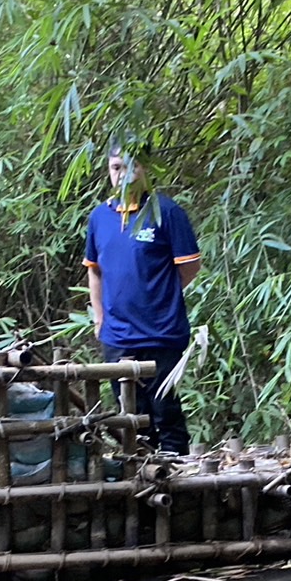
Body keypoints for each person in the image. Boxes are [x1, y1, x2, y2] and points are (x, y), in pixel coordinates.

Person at [84, 141, 201, 454]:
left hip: (161, 332)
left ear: (145, 169)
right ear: (109, 171)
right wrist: (99, 318)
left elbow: (190, 265)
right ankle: (141, 478)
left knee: (166, 410)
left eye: (131, 166)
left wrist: (161, 295)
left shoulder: (167, 212)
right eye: (116, 167)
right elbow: (94, 271)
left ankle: (178, 478)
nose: (123, 175)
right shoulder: (99, 218)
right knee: (131, 416)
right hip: (118, 335)